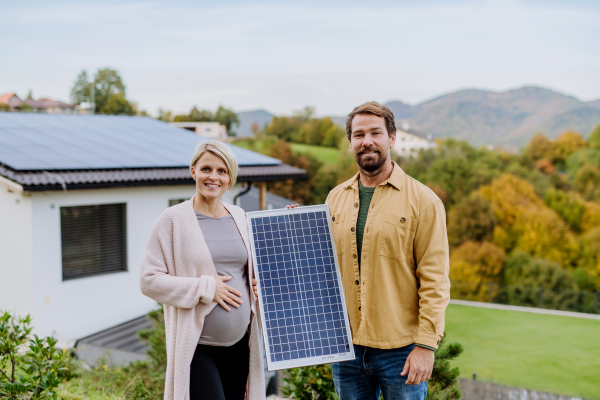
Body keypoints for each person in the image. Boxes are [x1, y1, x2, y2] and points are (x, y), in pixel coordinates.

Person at [325, 101, 450, 400]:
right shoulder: (334, 199)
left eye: (375, 133)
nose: (366, 141)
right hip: (347, 348)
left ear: (391, 137)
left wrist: (426, 346)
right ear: (350, 142)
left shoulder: (424, 201)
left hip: (401, 351)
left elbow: (435, 281)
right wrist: (292, 226)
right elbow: (318, 266)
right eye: (358, 135)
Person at [140, 141, 265, 400]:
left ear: (230, 178)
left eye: (222, 171)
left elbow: (252, 269)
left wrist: (257, 285)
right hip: (199, 348)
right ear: (193, 171)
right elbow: (148, 280)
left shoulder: (240, 216)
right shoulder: (172, 220)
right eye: (206, 168)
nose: (213, 177)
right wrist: (205, 287)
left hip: (241, 346)